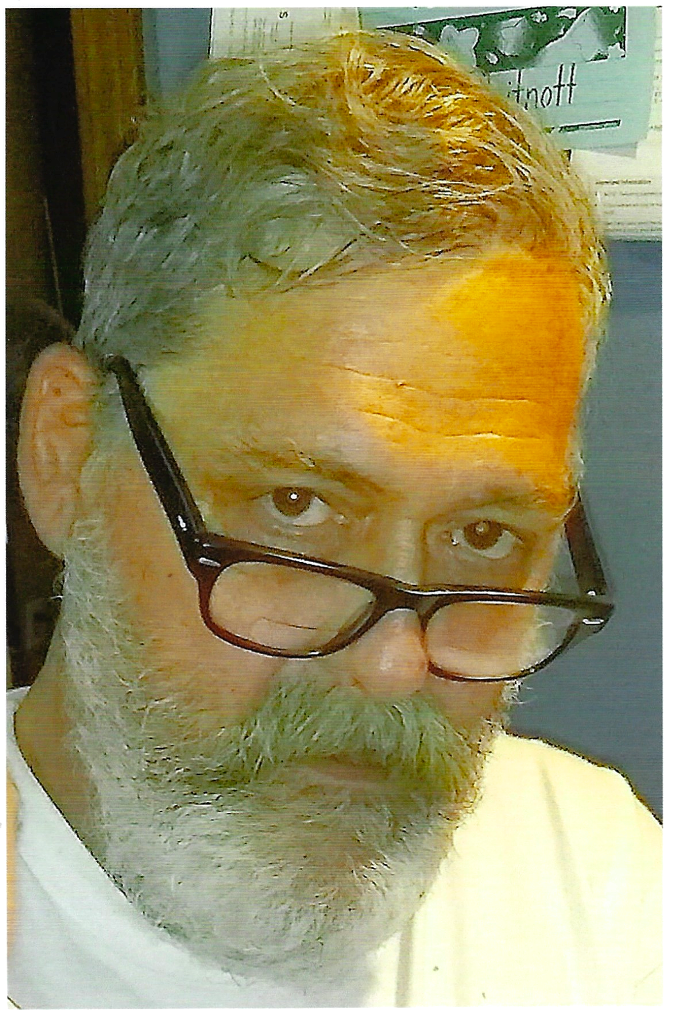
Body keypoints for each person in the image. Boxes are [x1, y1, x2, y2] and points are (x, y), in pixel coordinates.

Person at [7, 30, 661, 1008]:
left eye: (483, 537)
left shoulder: (593, 881)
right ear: (67, 455)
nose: (394, 666)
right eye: (296, 507)